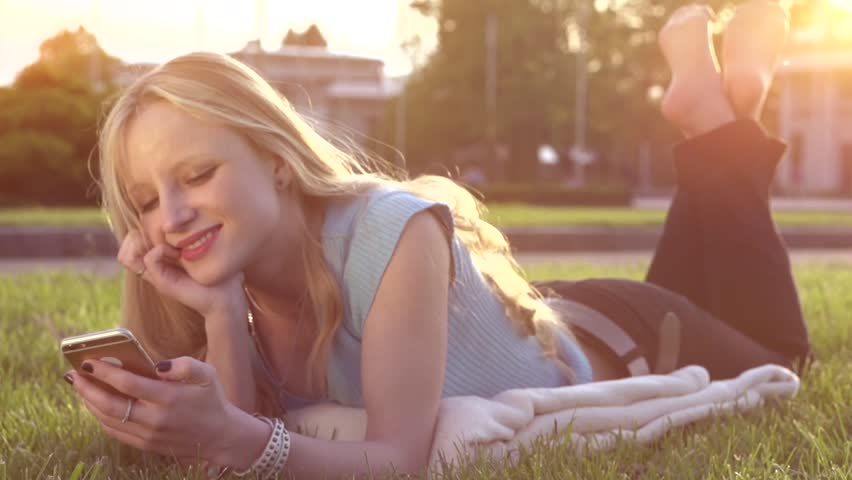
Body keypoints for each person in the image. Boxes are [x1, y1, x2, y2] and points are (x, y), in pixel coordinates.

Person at [63, 1, 812, 478]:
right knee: (715, 249)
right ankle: (720, 114)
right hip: (548, 317)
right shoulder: (231, 289)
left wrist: (238, 440)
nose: (172, 216)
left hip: (631, 333)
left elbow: (395, 462)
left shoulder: (390, 230)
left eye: (197, 175)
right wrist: (222, 314)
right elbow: (227, 456)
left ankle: (720, 119)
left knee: (784, 356)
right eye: (146, 202)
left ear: (278, 160)